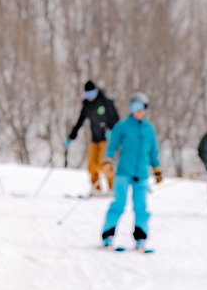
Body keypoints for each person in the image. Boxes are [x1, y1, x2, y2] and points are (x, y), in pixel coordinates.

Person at [101, 92, 162, 251]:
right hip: (123, 172)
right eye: (135, 108)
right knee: (119, 204)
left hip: (141, 174)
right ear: (130, 109)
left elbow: (153, 151)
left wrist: (157, 169)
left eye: (142, 108)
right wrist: (108, 160)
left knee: (141, 207)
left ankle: (140, 238)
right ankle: (108, 235)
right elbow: (112, 146)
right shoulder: (122, 126)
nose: (139, 111)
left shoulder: (149, 129)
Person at [65, 80, 119, 194]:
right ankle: (96, 189)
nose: (89, 97)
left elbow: (116, 120)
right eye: (87, 95)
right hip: (94, 139)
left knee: (104, 164)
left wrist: (111, 131)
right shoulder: (87, 106)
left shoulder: (106, 102)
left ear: (96, 91)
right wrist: (71, 137)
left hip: (107, 140)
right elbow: (79, 121)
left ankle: (112, 187)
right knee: (91, 166)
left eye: (91, 94)